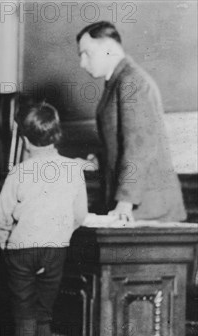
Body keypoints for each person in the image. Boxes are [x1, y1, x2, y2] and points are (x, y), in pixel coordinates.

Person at [0, 103, 88, 336]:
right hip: (56, 250)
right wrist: (59, 235)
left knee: (24, 321)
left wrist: (6, 245)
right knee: (44, 320)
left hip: (21, 250)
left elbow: (2, 216)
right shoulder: (72, 169)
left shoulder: (19, 172)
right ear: (56, 135)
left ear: (24, 140)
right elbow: (80, 215)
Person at [77, 21, 186, 222]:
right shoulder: (119, 82)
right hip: (139, 205)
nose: (82, 62)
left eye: (86, 53)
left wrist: (125, 203)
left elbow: (140, 147)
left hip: (148, 208)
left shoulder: (131, 82)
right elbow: (121, 143)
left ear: (108, 48)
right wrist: (96, 161)